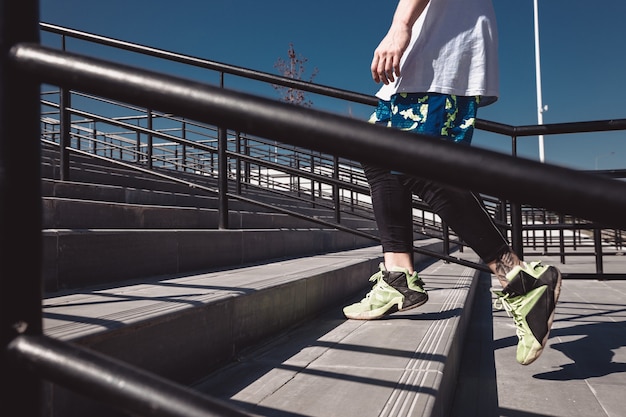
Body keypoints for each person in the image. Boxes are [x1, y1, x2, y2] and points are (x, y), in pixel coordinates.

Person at [342, 0, 562, 366]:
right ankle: (398, 275)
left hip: (439, 50)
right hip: (429, 53)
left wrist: (400, 25)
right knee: (378, 154)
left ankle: (521, 281)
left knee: (418, 167)